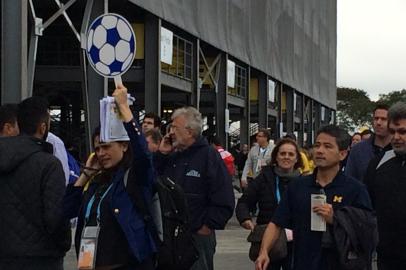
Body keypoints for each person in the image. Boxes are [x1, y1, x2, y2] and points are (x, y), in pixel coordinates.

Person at [64, 84, 157, 269]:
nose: (101, 153)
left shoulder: (134, 177)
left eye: (106, 146)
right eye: (97, 148)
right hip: (92, 263)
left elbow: (143, 155)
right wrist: (85, 176)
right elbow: (66, 210)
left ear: (123, 146)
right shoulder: (97, 182)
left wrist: (125, 110)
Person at [255, 125, 373, 270]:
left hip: (340, 264)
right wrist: (264, 251)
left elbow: (368, 230)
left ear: (342, 154)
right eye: (317, 145)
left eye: (327, 146)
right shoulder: (298, 186)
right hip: (303, 262)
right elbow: (276, 222)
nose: (320, 151)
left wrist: (336, 219)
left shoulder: (355, 189)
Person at [155, 106, 235, 270]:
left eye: (174, 128)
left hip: (197, 237)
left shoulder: (209, 156)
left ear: (189, 132)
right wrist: (161, 154)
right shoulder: (171, 155)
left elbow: (224, 196)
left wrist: (206, 226)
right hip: (169, 236)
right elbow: (150, 180)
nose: (170, 132)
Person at [0, 97, 70, 270]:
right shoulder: (49, 165)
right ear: (43, 127)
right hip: (43, 259)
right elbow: (55, 218)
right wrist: (63, 245)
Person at [236, 138, 303, 270]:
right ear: (276, 157)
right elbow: (244, 202)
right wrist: (245, 219)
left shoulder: (304, 182)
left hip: (296, 241)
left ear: (297, 159)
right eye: (282, 154)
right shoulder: (264, 178)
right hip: (268, 237)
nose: (286, 157)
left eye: (291, 154)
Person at [364, 101, 406, 269]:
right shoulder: (379, 162)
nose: (396, 137)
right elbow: (366, 204)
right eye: (393, 131)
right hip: (387, 256)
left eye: (403, 132)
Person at [345, 104, 392, 181]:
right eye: (376, 118)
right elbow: (349, 180)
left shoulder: (399, 150)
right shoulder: (358, 150)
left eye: (384, 119)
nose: (378, 122)